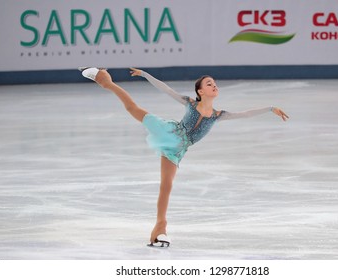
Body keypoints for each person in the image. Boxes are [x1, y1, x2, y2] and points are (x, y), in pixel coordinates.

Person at [79, 67, 289, 247]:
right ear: (200, 91)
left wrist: (271, 108)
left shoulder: (218, 115)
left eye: (214, 83)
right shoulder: (189, 102)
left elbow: (245, 113)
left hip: (178, 150)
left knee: (166, 186)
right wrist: (144, 74)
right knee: (133, 108)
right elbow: (165, 88)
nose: (214, 85)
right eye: (209, 83)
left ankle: (159, 228)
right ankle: (104, 79)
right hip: (169, 132)